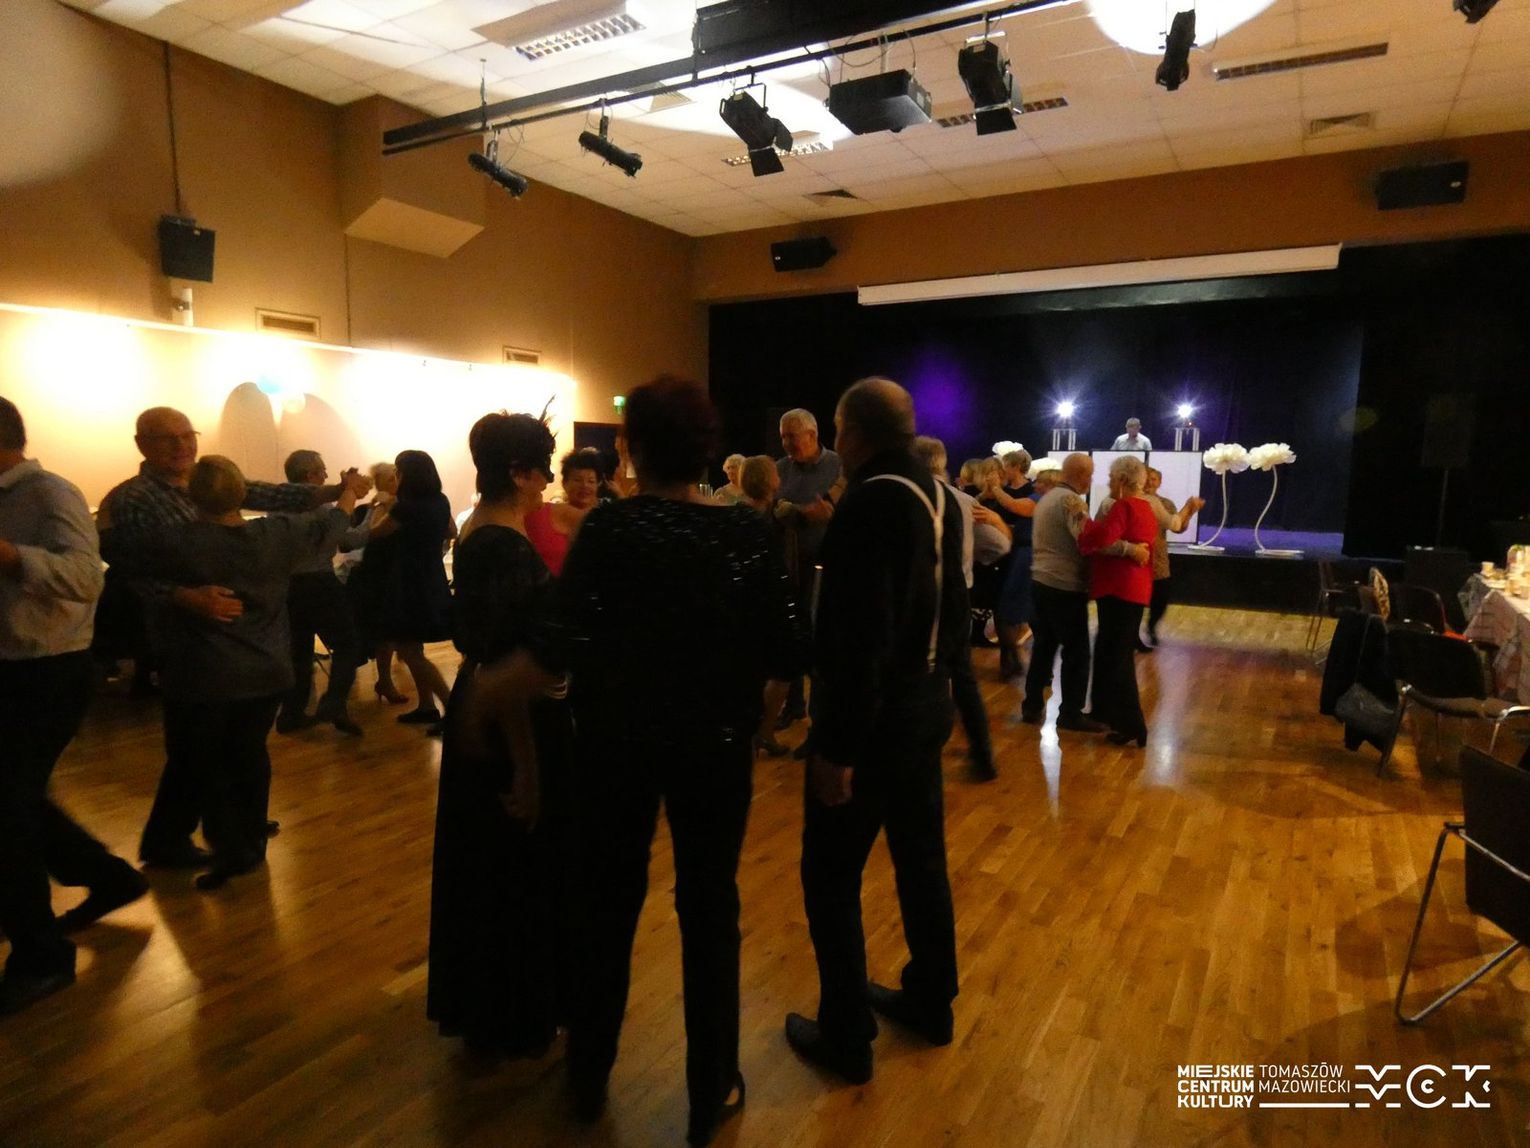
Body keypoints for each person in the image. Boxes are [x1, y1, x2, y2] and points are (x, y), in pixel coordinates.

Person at [468, 377, 807, 1147]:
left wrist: (488, 691)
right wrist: (750, 724)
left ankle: (589, 1077)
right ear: (706, 449)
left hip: (615, 749)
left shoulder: (611, 531)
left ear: (633, 449)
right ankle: (709, 1088)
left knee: (606, 910)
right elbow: (787, 654)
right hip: (714, 753)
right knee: (710, 912)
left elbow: (554, 650)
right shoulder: (745, 533)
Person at [786, 379, 968, 1086]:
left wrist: (836, 748)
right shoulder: (940, 495)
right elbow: (955, 609)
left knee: (829, 874)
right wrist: (944, 686)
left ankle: (846, 1035)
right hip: (924, 707)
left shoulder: (869, 501)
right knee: (921, 861)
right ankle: (931, 1001)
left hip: (875, 721)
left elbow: (858, 638)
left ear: (853, 432)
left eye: (837, 427)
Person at [96, 406, 363, 868]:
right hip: (196, 647)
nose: (182, 445)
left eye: (187, 435)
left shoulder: (202, 494)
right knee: (203, 753)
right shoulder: (136, 500)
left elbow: (273, 494)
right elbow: (129, 570)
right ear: (142, 444)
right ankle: (219, 837)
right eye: (167, 438)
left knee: (219, 750)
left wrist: (337, 490)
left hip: (230, 656)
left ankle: (225, 833)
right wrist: (182, 596)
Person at [428, 411, 574, 1058]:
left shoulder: (485, 529)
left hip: (496, 704)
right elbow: (504, 657)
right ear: (519, 472)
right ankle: (514, 1012)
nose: (547, 482)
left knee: (501, 865)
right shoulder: (500, 543)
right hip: (514, 717)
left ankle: (507, 1007)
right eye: (542, 470)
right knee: (515, 864)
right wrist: (528, 767)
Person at [146, 456, 359, 888]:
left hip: (203, 671)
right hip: (265, 668)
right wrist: (349, 494)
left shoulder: (175, 542)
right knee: (248, 754)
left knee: (206, 761)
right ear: (242, 493)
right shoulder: (275, 535)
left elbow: (129, 572)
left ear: (191, 495)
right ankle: (249, 842)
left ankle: (228, 845)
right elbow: (332, 526)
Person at [0, 397, 147, 1016]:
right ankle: (109, 878)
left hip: (46, 672)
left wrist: (12, 556)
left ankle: (41, 957)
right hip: (14, 668)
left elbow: (88, 578)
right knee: (16, 801)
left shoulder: (49, 494)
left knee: (6, 810)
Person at [1021, 453, 1146, 730]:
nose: (1092, 481)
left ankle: (1031, 706)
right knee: (1076, 653)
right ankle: (1070, 713)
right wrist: (1130, 549)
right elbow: (1090, 541)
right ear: (1080, 475)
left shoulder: (1047, 498)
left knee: (1044, 647)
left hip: (1040, 581)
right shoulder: (1071, 501)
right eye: (1090, 475)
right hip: (1064, 585)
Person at [911, 435, 1006, 781]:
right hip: (960, 596)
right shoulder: (965, 502)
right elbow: (999, 546)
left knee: (926, 674)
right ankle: (982, 754)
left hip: (923, 599)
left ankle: (923, 754)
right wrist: (974, 560)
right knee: (962, 677)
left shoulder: (912, 498)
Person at [275, 450, 368, 736]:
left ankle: (291, 714)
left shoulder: (278, 508)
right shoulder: (321, 510)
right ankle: (334, 703)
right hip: (319, 583)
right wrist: (374, 517)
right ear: (310, 475)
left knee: (299, 652)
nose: (326, 475)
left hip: (288, 586)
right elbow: (347, 541)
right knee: (349, 644)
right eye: (322, 471)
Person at [370, 449, 455, 730]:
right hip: (432, 575)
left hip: (408, 580)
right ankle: (427, 706)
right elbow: (451, 531)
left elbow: (375, 532)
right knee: (414, 645)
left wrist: (382, 505)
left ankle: (451, 706)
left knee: (409, 651)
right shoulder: (440, 500)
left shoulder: (405, 507)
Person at [1078, 456, 1156, 747]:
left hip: (1120, 589)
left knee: (1118, 657)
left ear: (1123, 480)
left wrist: (1083, 523)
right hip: (1131, 589)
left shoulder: (1124, 506)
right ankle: (1107, 713)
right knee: (1109, 651)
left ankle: (1134, 724)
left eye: (1111, 478)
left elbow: (1103, 538)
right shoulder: (1145, 507)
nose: (1109, 483)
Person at [775, 409, 845, 730]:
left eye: (792, 437)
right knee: (791, 637)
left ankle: (820, 721)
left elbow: (836, 508)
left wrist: (795, 512)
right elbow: (774, 509)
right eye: (783, 437)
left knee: (822, 643)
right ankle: (793, 705)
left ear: (813, 435)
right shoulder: (780, 469)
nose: (787, 444)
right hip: (790, 566)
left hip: (829, 570)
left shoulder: (838, 466)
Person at [344, 460, 410, 704]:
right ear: (379, 483)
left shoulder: (402, 507)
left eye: (396, 477)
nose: (396, 482)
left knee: (394, 629)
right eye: (390, 479)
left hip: (396, 573)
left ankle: (390, 675)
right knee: (383, 630)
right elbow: (361, 538)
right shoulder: (368, 510)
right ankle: (384, 680)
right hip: (376, 575)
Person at [980, 449, 1038, 679]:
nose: (1003, 469)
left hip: (1019, 555)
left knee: (1012, 609)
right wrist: (987, 493)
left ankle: (1015, 660)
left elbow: (1015, 507)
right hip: (998, 554)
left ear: (1016, 467)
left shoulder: (1031, 491)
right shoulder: (1000, 491)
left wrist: (995, 490)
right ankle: (1009, 659)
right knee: (1000, 608)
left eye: (1006, 465)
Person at [1141, 466, 1204, 648]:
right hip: (1138, 557)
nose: (1150, 482)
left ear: (1159, 482)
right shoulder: (1135, 501)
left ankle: (1151, 627)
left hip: (1158, 559)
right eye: (1147, 478)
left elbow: (1178, 527)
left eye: (1154, 479)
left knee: (1161, 598)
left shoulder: (1165, 504)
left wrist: (1190, 512)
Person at [524, 448, 602, 576]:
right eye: (577, 480)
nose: (585, 486)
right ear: (565, 483)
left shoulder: (603, 518)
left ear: (598, 485)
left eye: (591, 481)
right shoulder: (544, 514)